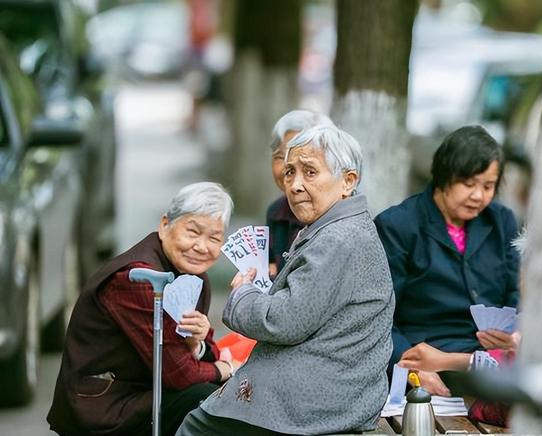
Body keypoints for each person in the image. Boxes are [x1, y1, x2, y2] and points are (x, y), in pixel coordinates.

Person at [177, 125, 395, 435]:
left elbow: (284, 321)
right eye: (290, 173)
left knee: (197, 426)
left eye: (310, 172)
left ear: (348, 182)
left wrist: (243, 296)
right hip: (335, 387)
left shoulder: (338, 239)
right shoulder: (341, 229)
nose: (294, 185)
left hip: (319, 398)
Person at [47, 182, 237, 436]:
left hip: (148, 388)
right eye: (192, 232)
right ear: (165, 225)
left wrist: (198, 344)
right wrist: (225, 370)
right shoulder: (137, 278)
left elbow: (200, 351)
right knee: (209, 398)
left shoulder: (195, 278)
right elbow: (178, 374)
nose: (202, 246)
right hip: (105, 402)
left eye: (214, 238)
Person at [374, 125, 521, 399]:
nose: (479, 196)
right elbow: (378, 316)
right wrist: (410, 364)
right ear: (444, 176)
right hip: (428, 355)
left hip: (494, 359)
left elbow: (516, 293)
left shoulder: (502, 222)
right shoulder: (398, 226)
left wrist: (515, 336)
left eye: (488, 186)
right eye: (469, 184)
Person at [266, 109, 334, 278]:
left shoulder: (338, 217)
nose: (288, 168)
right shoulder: (276, 212)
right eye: (281, 157)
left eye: (303, 159)